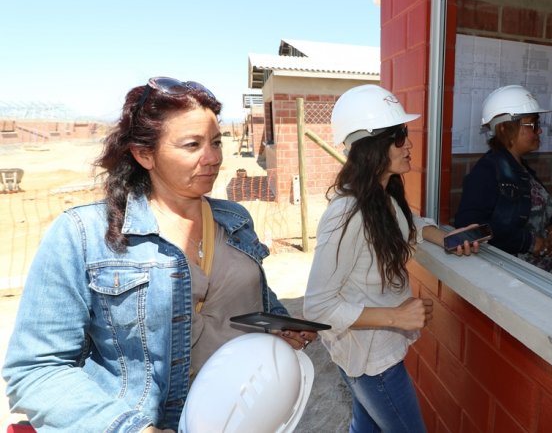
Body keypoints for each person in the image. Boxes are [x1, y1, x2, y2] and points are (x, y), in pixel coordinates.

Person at [2, 77, 318, 432]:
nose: (213, 158)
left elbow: (252, 301)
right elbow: (36, 370)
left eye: (216, 142)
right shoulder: (82, 234)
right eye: (192, 145)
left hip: (244, 415)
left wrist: (278, 325)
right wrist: (131, 428)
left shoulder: (235, 220)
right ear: (144, 154)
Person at [303, 84, 480, 433]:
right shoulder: (347, 214)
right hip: (371, 363)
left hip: (369, 354)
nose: (409, 143)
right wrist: (396, 316)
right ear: (371, 146)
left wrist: (445, 237)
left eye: (406, 134)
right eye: (399, 136)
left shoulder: (382, 197)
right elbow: (317, 306)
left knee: (364, 428)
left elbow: (406, 225)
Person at [455, 84, 552, 273]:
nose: (539, 131)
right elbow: (470, 228)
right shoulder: (487, 172)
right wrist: (529, 242)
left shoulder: (522, 170)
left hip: (536, 277)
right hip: (509, 278)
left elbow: (538, 213)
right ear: (505, 128)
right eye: (533, 124)